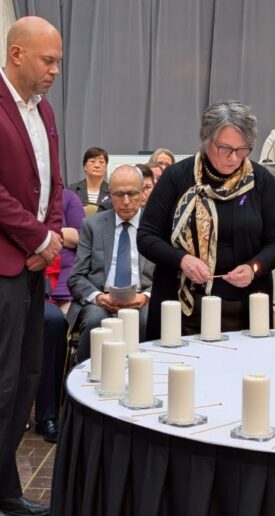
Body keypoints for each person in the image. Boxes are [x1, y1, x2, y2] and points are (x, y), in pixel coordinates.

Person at [137, 100, 275, 339]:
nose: (234, 158)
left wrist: (253, 268)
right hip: (181, 308)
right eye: (225, 148)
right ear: (206, 139)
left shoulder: (261, 181)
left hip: (244, 307)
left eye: (243, 149)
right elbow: (146, 237)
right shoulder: (177, 177)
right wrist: (182, 260)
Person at [0, 16, 63, 516]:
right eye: (49, 60)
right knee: (2, 383)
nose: (55, 70)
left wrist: (53, 238)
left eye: (58, 62)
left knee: (25, 379)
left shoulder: (43, 109)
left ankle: (5, 489)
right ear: (17, 54)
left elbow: (54, 183)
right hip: (4, 266)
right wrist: (39, 237)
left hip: (33, 265)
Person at [67, 165, 154, 362]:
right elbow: (77, 277)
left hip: (142, 299)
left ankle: (140, 374)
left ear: (142, 192)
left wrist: (146, 296)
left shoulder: (154, 226)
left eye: (132, 194)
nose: (126, 201)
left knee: (144, 319)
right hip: (101, 299)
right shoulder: (92, 225)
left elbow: (167, 275)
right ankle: (87, 375)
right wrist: (98, 297)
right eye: (119, 194)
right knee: (97, 320)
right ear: (110, 194)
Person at [35, 189, 84, 443]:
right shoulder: (14, 197)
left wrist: (42, 235)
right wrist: (48, 236)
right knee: (49, 319)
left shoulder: (67, 198)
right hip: (25, 281)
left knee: (57, 321)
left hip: (63, 288)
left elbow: (80, 236)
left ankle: (48, 415)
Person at [68, 146, 110, 211]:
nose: (97, 165)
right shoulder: (73, 189)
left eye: (101, 162)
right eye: (92, 161)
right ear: (85, 166)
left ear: (106, 168)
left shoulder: (112, 191)